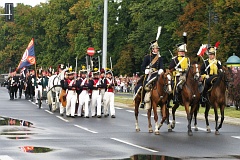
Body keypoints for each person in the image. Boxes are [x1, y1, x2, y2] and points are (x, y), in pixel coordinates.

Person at [138, 40, 164, 108]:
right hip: (149, 74)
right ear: (152, 49)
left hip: (157, 74)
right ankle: (142, 101)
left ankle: (165, 100)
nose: (157, 50)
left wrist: (161, 70)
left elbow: (162, 66)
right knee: (144, 84)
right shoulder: (147, 57)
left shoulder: (160, 58)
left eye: (157, 49)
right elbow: (142, 66)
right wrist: (146, 70)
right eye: (156, 48)